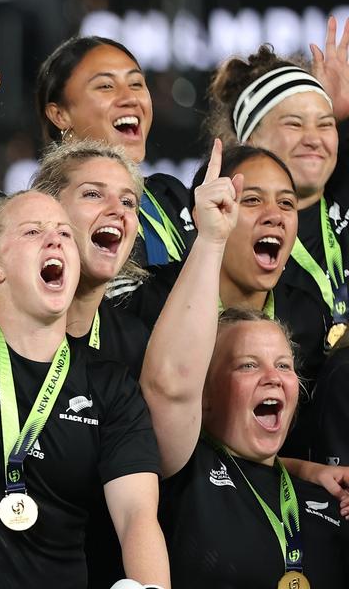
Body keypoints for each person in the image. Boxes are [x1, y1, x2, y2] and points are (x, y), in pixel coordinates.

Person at [0, 61, 169, 588]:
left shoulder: (109, 386)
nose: (56, 241)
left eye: (65, 235)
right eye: (33, 231)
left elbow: (139, 516)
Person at [140, 155, 349, 584]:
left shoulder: (326, 499)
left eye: (284, 365)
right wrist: (211, 240)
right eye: (247, 365)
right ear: (205, 392)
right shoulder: (178, 477)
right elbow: (169, 390)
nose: (272, 376)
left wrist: (305, 470)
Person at [123, 145, 327, 455]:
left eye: (286, 203)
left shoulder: (307, 318)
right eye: (252, 200)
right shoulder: (150, 304)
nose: (275, 216)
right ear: (204, 212)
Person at [206, 42, 349, 354]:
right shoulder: (229, 238)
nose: (314, 139)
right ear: (251, 140)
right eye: (294, 124)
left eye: (325, 125)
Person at [36, 36, 194, 269]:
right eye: (106, 86)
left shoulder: (170, 197)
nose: (130, 98)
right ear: (60, 115)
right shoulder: (46, 217)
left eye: (136, 84)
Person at [30, 141, 150, 377]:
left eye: (128, 202)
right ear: (46, 207)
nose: (118, 210)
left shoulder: (134, 343)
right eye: (93, 194)